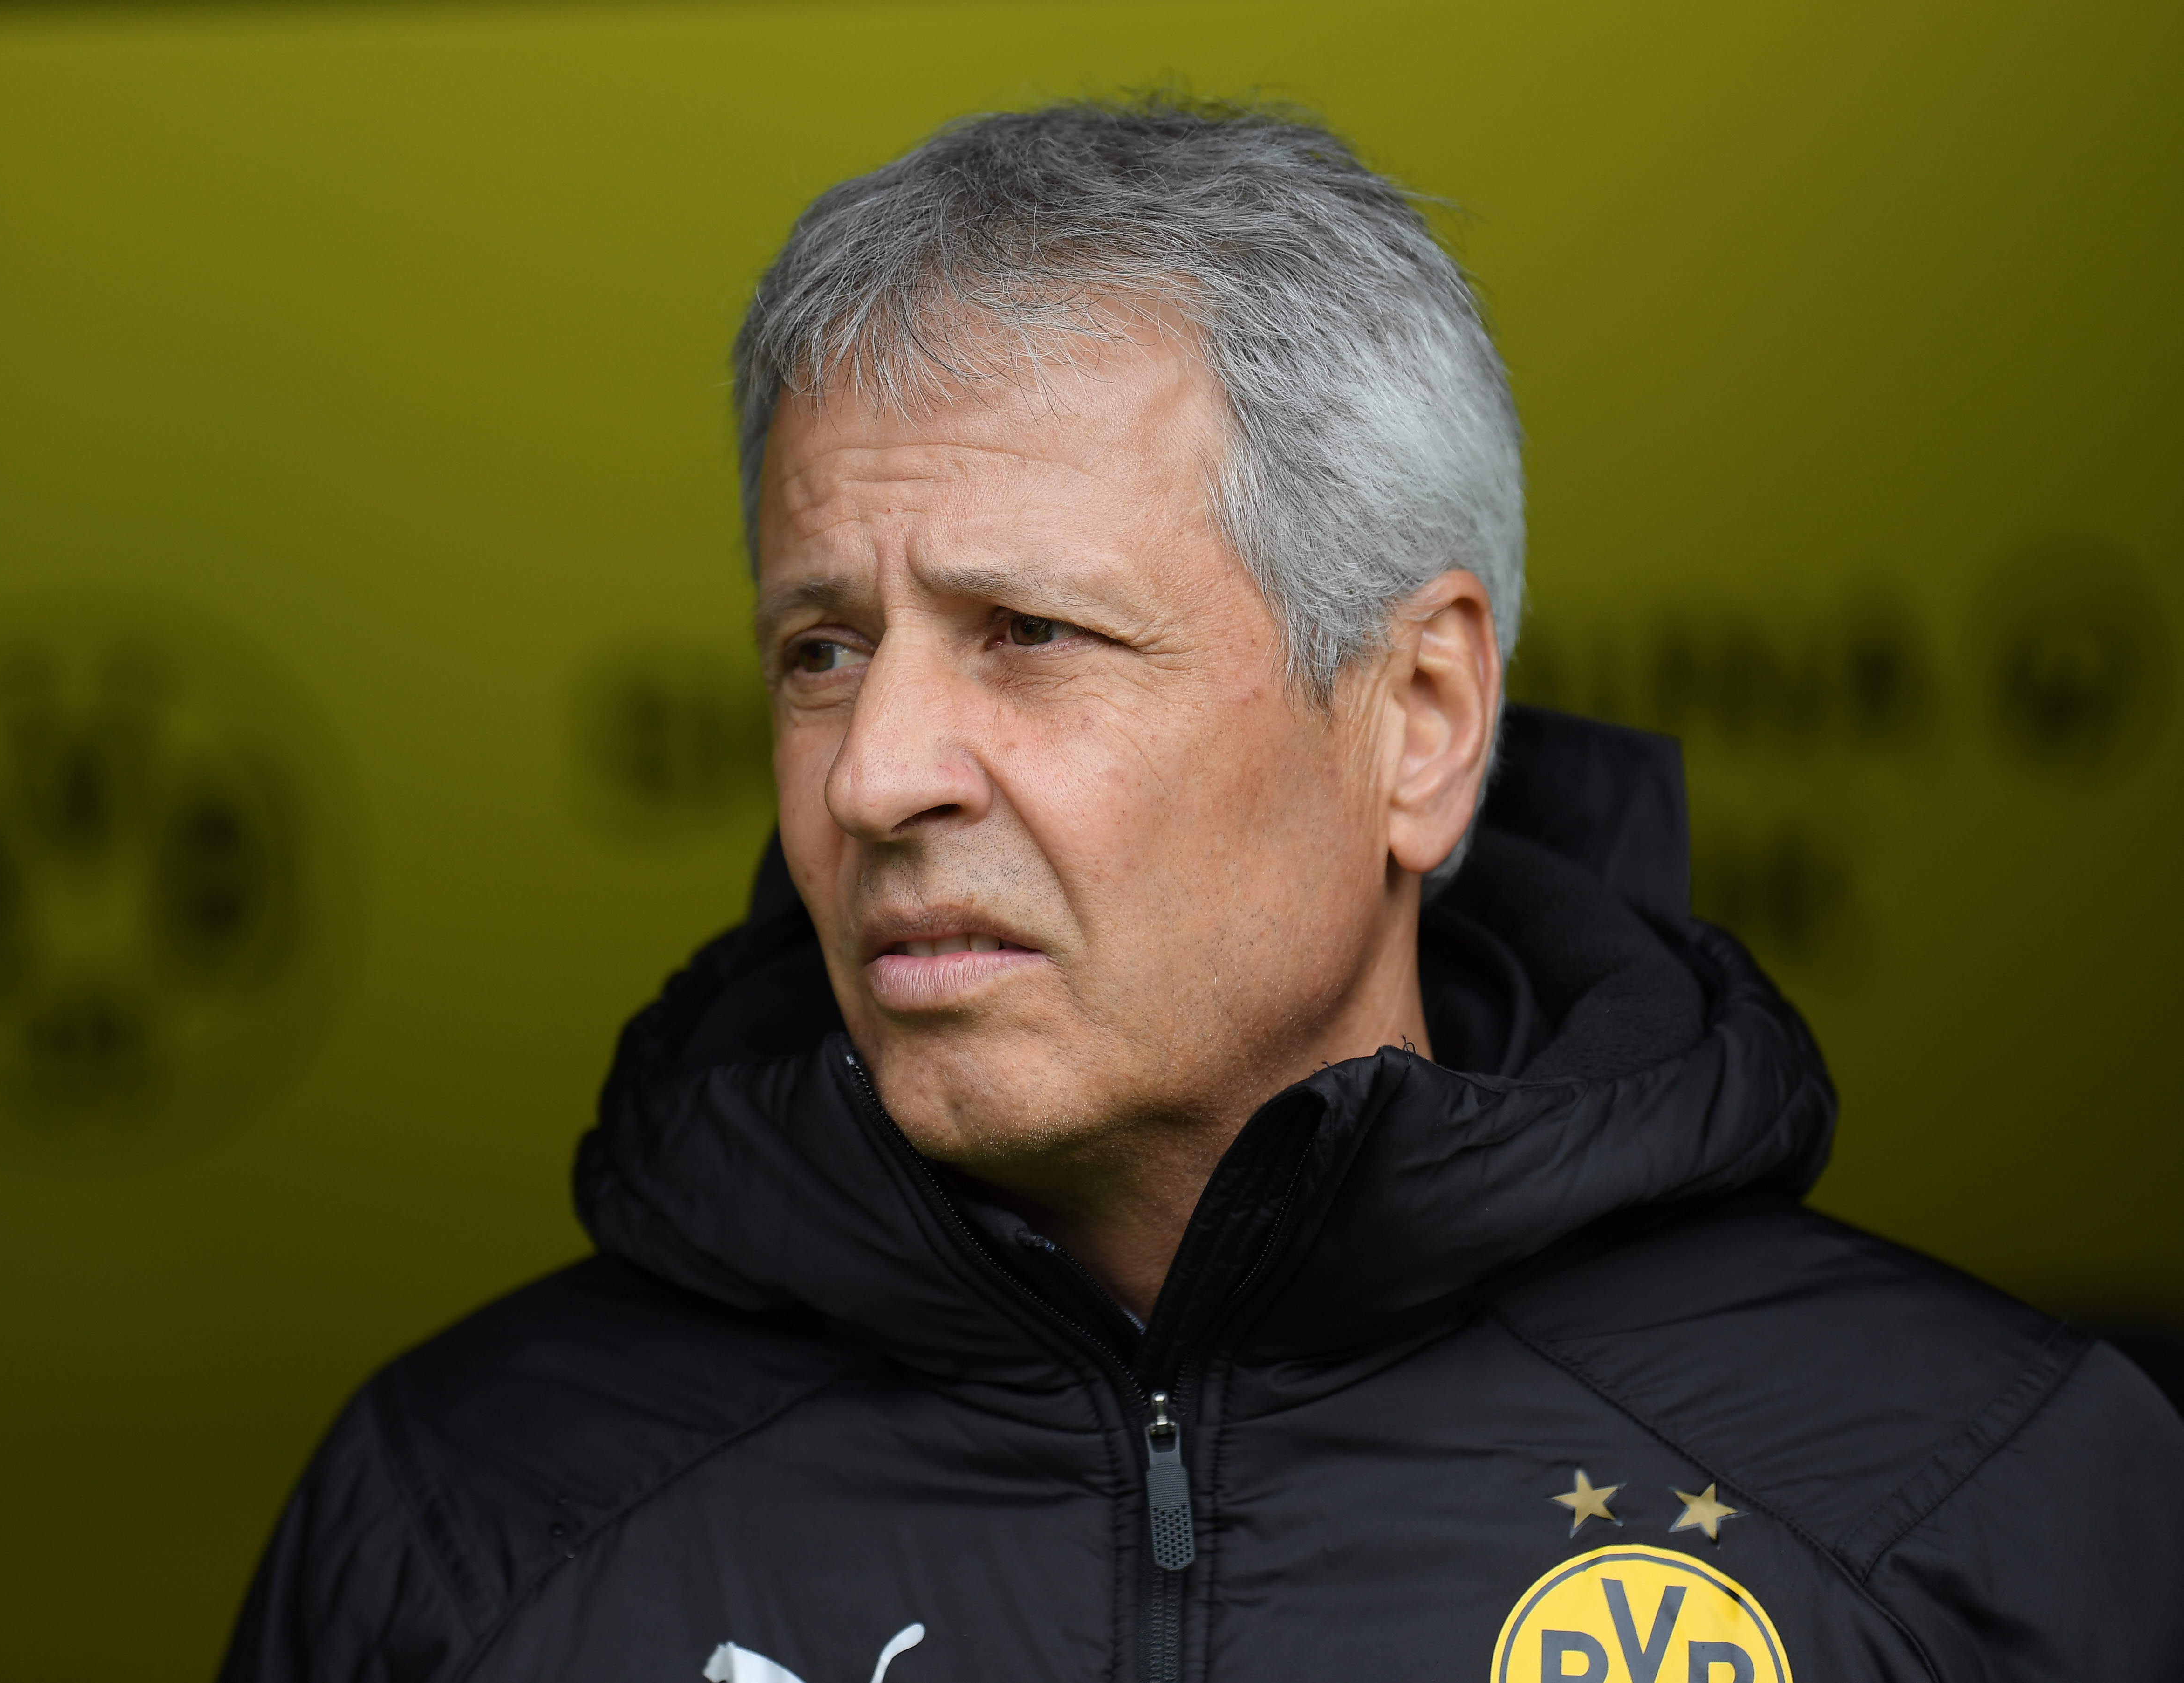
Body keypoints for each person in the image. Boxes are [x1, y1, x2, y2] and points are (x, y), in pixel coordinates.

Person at [221, 98, 2183, 1683]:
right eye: (821, 648)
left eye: (1028, 632)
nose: (876, 773)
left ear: (1418, 718)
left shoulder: (1960, 1498)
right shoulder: (466, 1515)